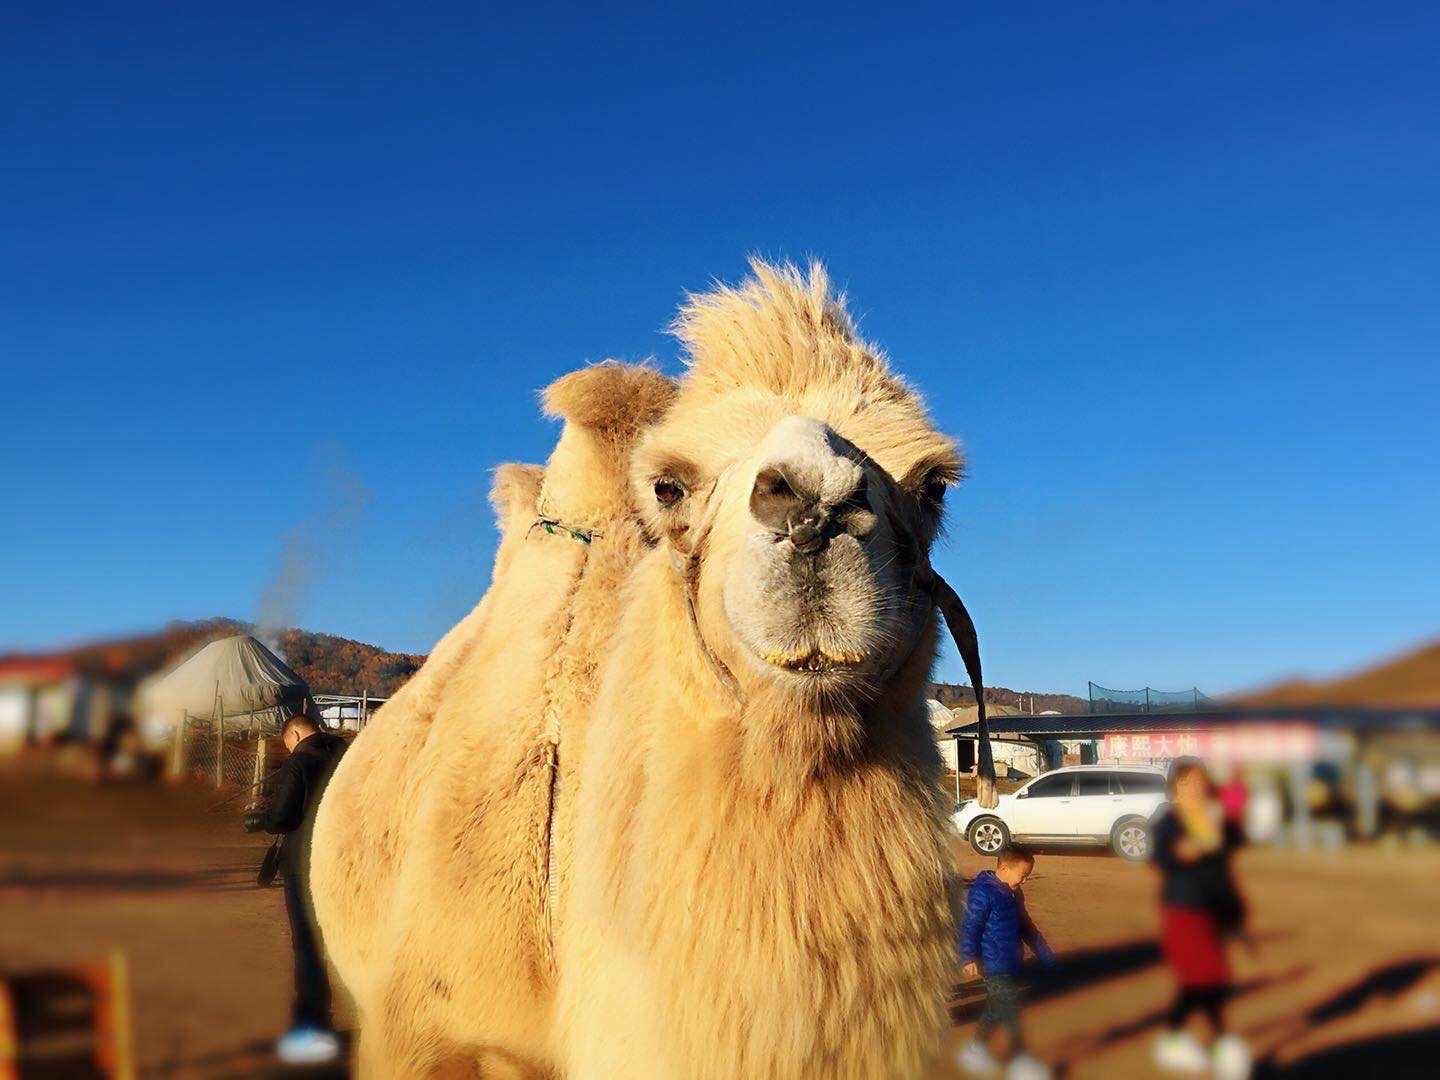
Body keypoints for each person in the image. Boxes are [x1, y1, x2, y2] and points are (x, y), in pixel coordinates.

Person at [244, 713, 348, 1065]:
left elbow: (284, 818)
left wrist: (261, 820)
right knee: (333, 940)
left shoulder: (298, 763)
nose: (289, 749)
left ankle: (313, 1022)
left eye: (288, 743)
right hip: (344, 859)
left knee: (306, 942)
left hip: (303, 864)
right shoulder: (347, 754)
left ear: (296, 733)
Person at [1150, 757, 1251, 1080]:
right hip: (1184, 908)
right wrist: (1181, 853)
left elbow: (1232, 843)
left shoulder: (1209, 815)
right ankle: (1218, 1043)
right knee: (1208, 977)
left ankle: (1177, 1037)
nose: (1197, 786)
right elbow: (1161, 855)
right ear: (1177, 785)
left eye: (1200, 780)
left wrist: (1235, 802)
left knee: (1204, 978)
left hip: (1211, 908)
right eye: (1190, 781)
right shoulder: (1169, 819)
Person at [956, 846, 1055, 1080]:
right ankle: (1020, 1062)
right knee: (1010, 1010)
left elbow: (1026, 927)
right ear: (1003, 868)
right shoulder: (983, 893)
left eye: (1027, 876)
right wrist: (968, 956)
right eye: (1022, 876)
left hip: (1010, 960)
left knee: (996, 1007)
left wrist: (1045, 955)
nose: (1024, 881)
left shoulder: (1014, 893)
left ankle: (975, 1050)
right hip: (993, 965)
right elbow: (971, 926)